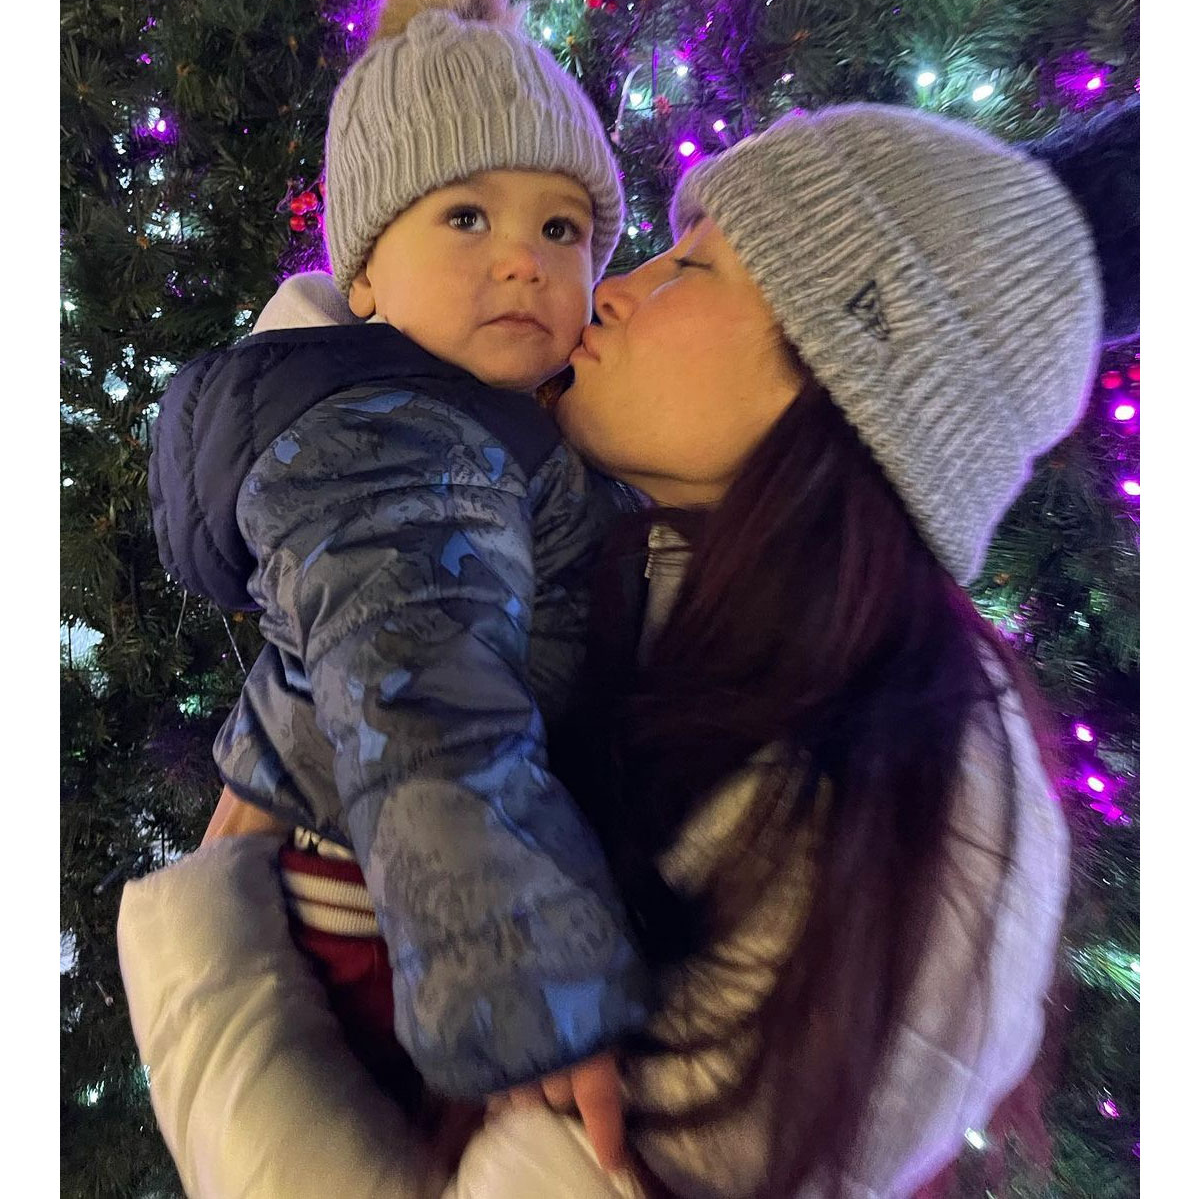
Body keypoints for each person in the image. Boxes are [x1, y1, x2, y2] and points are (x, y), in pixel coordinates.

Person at [120, 98, 1128, 1198]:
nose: (607, 288)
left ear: (848, 376)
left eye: (693, 267)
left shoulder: (924, 817)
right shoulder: (614, 565)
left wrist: (205, 953)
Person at [142, 0, 649, 1157]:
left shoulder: (469, 422)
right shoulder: (397, 438)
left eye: (562, 230)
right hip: (390, 917)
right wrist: (534, 988)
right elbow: (426, 700)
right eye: (466, 217)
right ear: (364, 275)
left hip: (394, 875)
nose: (524, 262)